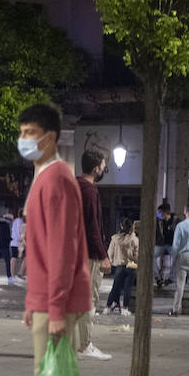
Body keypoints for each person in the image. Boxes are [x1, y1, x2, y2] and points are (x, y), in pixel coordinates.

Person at [0, 104, 147, 376]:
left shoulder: (57, 178)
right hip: (49, 299)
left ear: (50, 138)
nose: (24, 139)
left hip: (58, 301)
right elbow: (45, 248)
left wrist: (55, 307)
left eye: (30, 132)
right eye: (22, 130)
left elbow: (64, 248)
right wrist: (34, 300)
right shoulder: (48, 176)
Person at [74, 149, 113, 360]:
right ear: (96, 167)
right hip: (88, 254)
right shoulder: (90, 192)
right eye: (103, 165)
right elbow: (93, 228)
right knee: (89, 298)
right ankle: (85, 344)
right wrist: (103, 255)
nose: (104, 168)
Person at [104, 219, 138, 314]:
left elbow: (110, 253)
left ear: (121, 226)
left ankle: (108, 306)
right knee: (128, 288)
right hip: (131, 266)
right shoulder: (134, 239)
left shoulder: (115, 239)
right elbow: (137, 255)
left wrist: (113, 260)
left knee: (115, 287)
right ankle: (125, 308)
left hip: (119, 266)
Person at [153, 201, 175, 287]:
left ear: (166, 212)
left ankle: (171, 278)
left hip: (172, 245)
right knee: (151, 257)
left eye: (160, 213)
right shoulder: (158, 220)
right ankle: (158, 277)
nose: (158, 214)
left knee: (179, 257)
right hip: (160, 244)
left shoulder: (174, 220)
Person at [13, 213, 28, 280]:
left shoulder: (24, 225)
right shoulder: (24, 225)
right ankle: (21, 273)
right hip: (26, 244)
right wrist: (25, 244)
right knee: (26, 258)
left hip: (26, 244)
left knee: (26, 259)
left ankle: (22, 273)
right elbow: (22, 236)